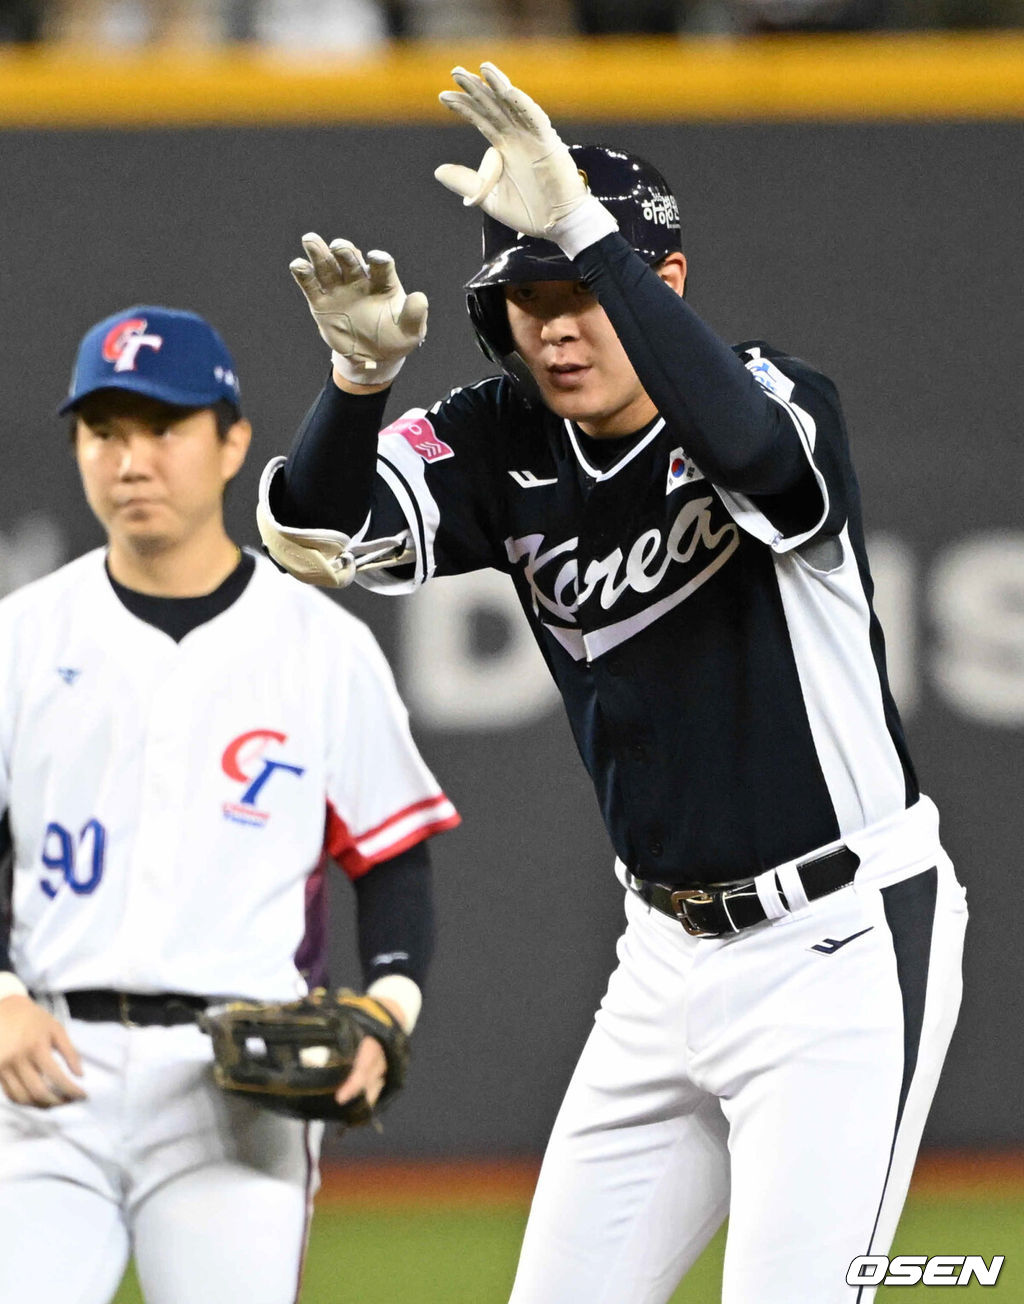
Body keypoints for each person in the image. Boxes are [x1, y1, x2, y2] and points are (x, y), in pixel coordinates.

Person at [257, 63, 968, 1304]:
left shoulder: (779, 395)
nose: (560, 324)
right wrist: (356, 390)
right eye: (530, 296)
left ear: (657, 283)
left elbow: (759, 462)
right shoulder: (500, 435)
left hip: (840, 946)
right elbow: (318, 530)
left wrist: (585, 225)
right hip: (662, 960)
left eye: (584, 289)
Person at [0, 304, 458, 1304]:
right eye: (104, 430)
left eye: (162, 427)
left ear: (232, 438)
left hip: (236, 1086)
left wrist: (387, 1008)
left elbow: (394, 860)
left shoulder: (319, 644)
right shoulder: (20, 637)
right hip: (39, 1085)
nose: (130, 460)